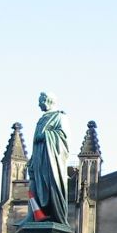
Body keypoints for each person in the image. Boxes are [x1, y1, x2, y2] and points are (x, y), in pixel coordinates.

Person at [26, 91, 70, 225]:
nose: (39, 104)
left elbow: (62, 137)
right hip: (39, 157)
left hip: (51, 161)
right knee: (34, 185)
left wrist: (45, 136)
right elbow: (34, 142)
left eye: (41, 101)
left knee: (50, 185)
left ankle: (51, 213)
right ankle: (34, 214)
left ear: (49, 101)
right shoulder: (42, 119)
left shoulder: (59, 117)